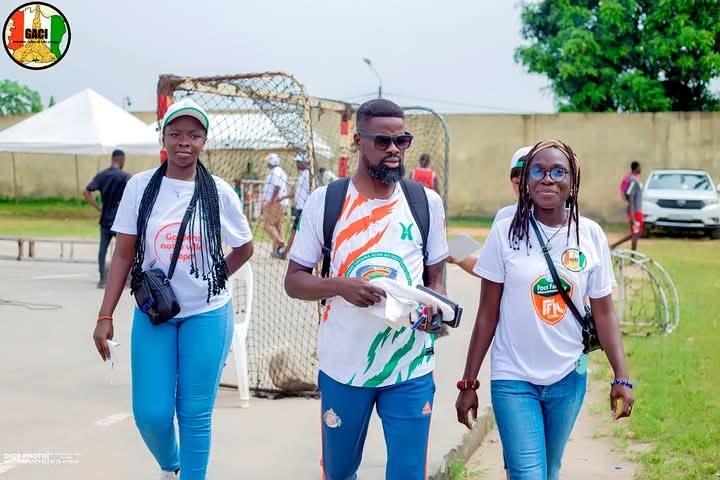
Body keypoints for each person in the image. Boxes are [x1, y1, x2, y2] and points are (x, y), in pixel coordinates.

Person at [284, 99, 448, 480]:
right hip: (344, 367)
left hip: (410, 365)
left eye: (401, 140)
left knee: (408, 473)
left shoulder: (425, 203)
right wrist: (339, 286)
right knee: (339, 472)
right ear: (358, 141)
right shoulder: (327, 202)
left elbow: (436, 279)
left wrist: (433, 309)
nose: (394, 150)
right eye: (382, 141)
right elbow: (294, 280)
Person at [91, 99, 254, 480]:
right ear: (163, 137)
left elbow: (245, 247)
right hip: (155, 313)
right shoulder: (140, 186)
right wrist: (105, 314)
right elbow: (123, 255)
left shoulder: (219, 192)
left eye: (194, 135)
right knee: (151, 414)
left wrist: (213, 276)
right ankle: (171, 464)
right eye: (176, 133)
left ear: (204, 141)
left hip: (207, 314)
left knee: (194, 413)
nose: (184, 142)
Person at [455, 140, 634, 480]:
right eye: (537, 171)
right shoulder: (505, 231)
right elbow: (487, 314)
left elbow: (604, 313)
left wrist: (621, 377)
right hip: (513, 376)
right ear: (525, 180)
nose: (547, 179)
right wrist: (468, 382)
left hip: (568, 375)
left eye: (558, 172)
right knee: (527, 473)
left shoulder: (590, 235)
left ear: (573, 181)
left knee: (549, 470)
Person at [447, 146, 531, 277]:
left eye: (529, 181)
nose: (523, 188)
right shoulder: (505, 217)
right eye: (517, 182)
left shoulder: (562, 221)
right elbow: (488, 268)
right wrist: (455, 255)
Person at [83, 149, 131, 288]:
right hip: (120, 220)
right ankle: (126, 279)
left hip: (105, 219)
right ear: (121, 159)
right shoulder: (125, 177)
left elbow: (86, 192)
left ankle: (102, 279)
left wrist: (98, 208)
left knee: (103, 249)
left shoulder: (102, 175)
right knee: (125, 250)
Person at [610, 161, 643, 251]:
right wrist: (632, 215)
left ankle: (614, 246)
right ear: (636, 168)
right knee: (636, 233)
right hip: (635, 211)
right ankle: (615, 247)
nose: (641, 169)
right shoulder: (633, 180)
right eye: (640, 167)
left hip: (636, 210)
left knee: (636, 232)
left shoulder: (632, 179)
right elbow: (630, 196)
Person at [262, 153, 289, 258]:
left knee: (267, 225)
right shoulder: (281, 171)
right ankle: (278, 251)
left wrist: (271, 201)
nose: (267, 163)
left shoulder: (275, 172)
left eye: (268, 161)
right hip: (281, 203)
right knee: (278, 227)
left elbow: (277, 187)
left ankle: (281, 242)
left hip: (275, 203)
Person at [284, 153, 311, 254]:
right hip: (300, 208)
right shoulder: (303, 175)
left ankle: (285, 252)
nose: (296, 164)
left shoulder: (308, 175)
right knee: (298, 232)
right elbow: (297, 192)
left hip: (304, 209)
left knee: (295, 231)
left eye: (298, 162)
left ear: (304, 162)